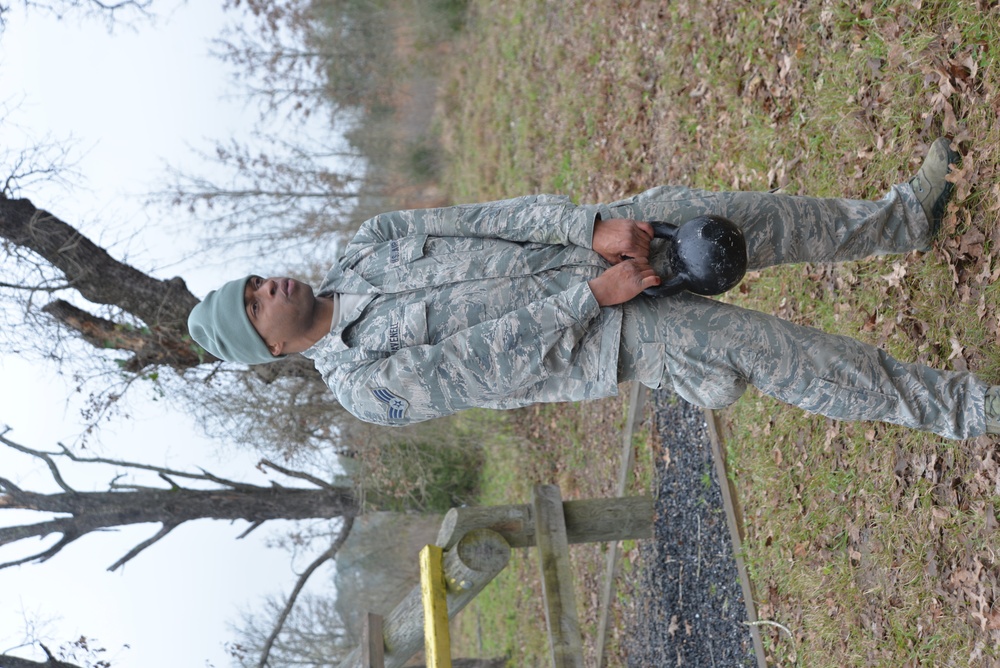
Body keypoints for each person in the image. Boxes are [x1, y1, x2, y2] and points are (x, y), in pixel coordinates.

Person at [188, 138, 999, 440]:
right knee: (797, 360)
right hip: (614, 333)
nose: (269, 285)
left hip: (610, 246)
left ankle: (902, 221)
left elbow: (489, 220)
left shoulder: (363, 247)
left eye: (254, 280)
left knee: (756, 221)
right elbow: (487, 364)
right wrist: (597, 296)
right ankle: (966, 411)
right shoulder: (364, 389)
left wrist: (591, 228)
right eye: (255, 302)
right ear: (268, 345)